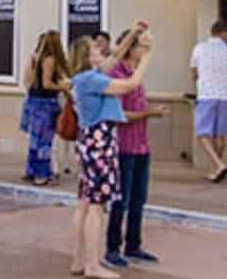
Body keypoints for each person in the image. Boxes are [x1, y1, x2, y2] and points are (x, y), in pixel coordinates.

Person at [69, 24, 153, 279]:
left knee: (84, 203)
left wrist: (131, 35)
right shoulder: (93, 80)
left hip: (89, 140)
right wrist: (148, 54)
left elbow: (115, 56)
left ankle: (79, 260)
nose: (101, 51)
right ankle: (93, 265)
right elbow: (129, 85)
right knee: (97, 206)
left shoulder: (84, 78)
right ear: (87, 56)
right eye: (95, 49)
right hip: (100, 142)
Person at [104, 28, 169, 268]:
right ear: (130, 47)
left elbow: (138, 103)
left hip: (141, 145)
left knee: (139, 200)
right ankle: (112, 248)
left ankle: (133, 245)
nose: (145, 50)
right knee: (121, 199)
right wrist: (149, 113)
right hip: (124, 145)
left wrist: (151, 109)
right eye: (141, 45)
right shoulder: (118, 74)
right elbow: (119, 114)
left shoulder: (137, 74)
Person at [189, 19, 227, 182]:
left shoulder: (199, 48)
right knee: (220, 134)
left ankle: (218, 165)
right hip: (226, 95)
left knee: (202, 132)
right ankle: (216, 167)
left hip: (206, 94)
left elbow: (193, 73)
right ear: (224, 33)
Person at [22, 30, 70, 185]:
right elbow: (47, 83)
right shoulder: (50, 60)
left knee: (35, 140)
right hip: (46, 104)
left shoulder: (35, 58)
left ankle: (31, 171)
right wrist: (62, 86)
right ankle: (41, 175)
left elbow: (28, 81)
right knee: (45, 140)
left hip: (34, 101)